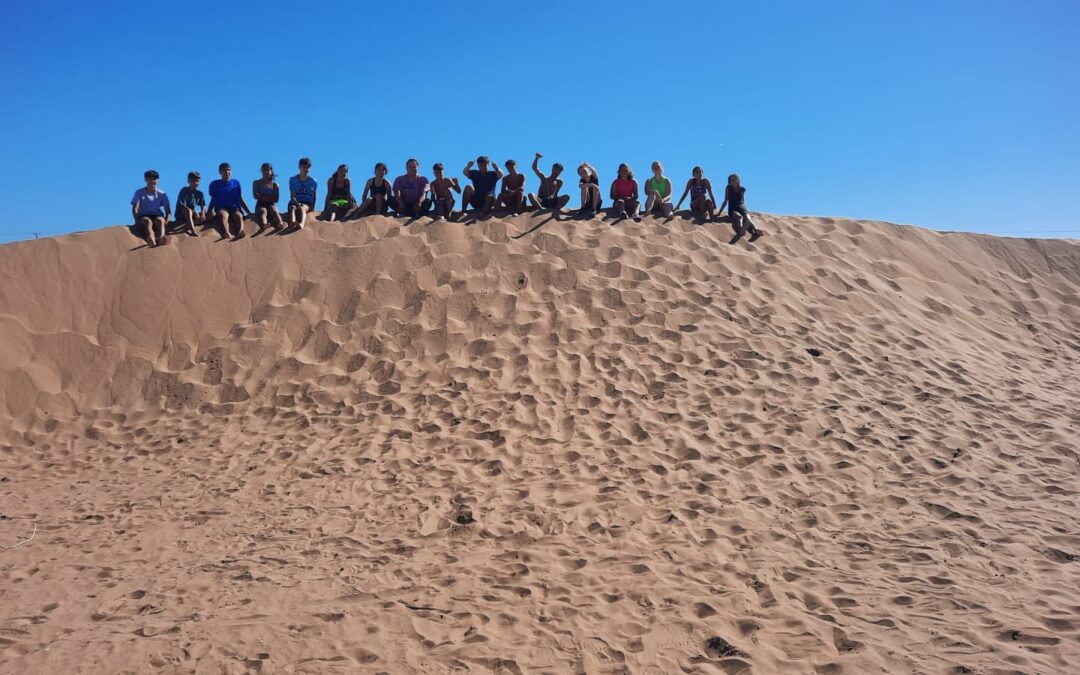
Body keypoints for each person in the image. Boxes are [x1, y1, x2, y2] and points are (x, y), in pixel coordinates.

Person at [208, 162, 251, 240]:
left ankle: (240, 231)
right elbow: (213, 200)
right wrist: (209, 211)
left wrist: (248, 212)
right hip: (221, 207)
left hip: (234, 207)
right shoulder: (214, 184)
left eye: (228, 170)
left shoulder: (236, 183)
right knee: (223, 215)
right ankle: (226, 233)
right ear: (220, 172)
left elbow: (240, 199)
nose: (227, 172)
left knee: (239, 216)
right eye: (224, 170)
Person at [131, 169, 171, 246]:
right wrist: (137, 221)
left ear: (158, 180)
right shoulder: (139, 192)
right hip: (143, 215)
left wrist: (167, 221)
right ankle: (151, 238)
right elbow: (135, 208)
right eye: (150, 179)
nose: (153, 181)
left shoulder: (162, 194)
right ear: (146, 179)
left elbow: (168, 211)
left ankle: (161, 238)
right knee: (148, 221)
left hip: (157, 215)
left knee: (160, 221)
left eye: (155, 179)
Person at [720, 173, 764, 243]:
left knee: (747, 217)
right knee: (738, 216)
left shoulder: (742, 189)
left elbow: (742, 201)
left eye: (734, 179)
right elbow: (725, 201)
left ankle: (755, 229)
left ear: (738, 180)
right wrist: (719, 212)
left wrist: (744, 209)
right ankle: (742, 229)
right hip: (733, 208)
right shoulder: (728, 188)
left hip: (741, 207)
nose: (732, 181)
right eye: (731, 180)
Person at [252, 163, 284, 233]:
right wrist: (269, 197)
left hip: (271, 204)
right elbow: (255, 196)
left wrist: (262, 196)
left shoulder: (275, 184)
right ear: (261, 171)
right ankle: (264, 224)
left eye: (268, 170)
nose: (266, 172)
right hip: (260, 204)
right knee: (263, 211)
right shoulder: (256, 182)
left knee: (274, 210)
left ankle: (280, 223)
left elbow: (276, 199)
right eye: (264, 170)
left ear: (271, 171)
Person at [288, 157, 317, 230]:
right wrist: (297, 203)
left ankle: (301, 224)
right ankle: (292, 222)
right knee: (292, 207)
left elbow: (313, 195)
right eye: (304, 167)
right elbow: (292, 195)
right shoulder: (293, 180)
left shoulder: (312, 181)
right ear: (299, 167)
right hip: (295, 201)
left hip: (306, 202)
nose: (306, 169)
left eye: (308, 167)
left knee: (302, 208)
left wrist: (312, 207)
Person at [175, 171, 205, 237]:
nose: (195, 183)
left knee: (211, 214)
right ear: (188, 181)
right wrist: (194, 212)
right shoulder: (184, 190)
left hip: (193, 215)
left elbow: (203, 206)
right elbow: (182, 205)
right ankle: (193, 231)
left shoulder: (199, 193)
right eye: (193, 180)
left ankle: (190, 224)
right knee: (188, 211)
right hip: (181, 213)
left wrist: (202, 214)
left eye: (197, 181)